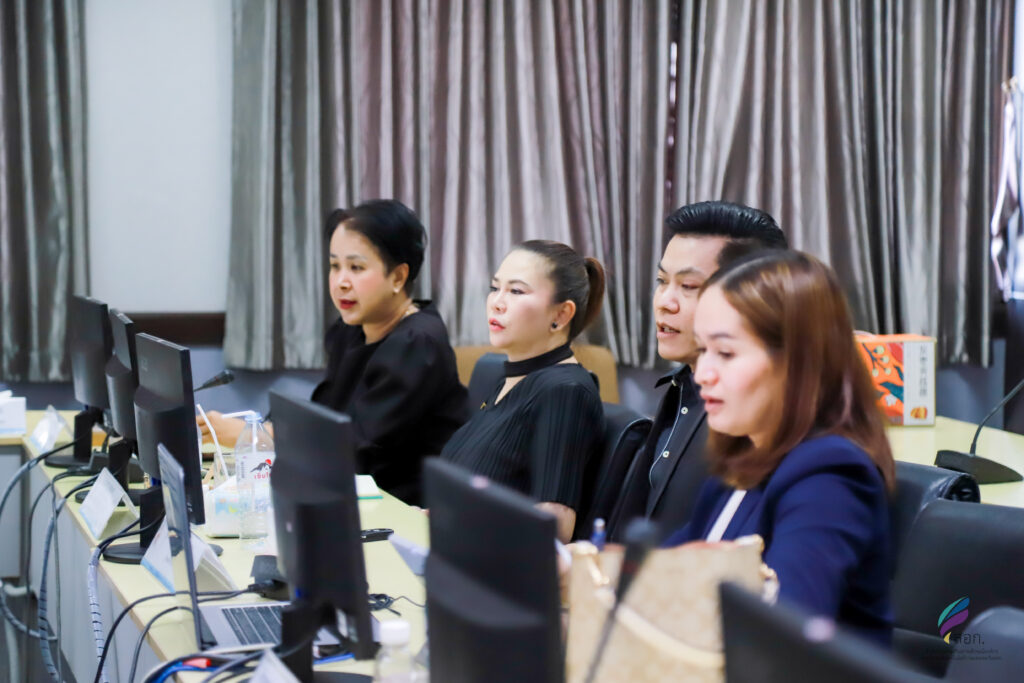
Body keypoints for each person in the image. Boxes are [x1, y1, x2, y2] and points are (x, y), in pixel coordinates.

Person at [664, 250, 895, 646]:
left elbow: (783, 632)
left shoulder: (828, 475)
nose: (703, 374)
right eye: (702, 350)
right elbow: (662, 570)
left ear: (797, 362)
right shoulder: (740, 464)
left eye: (726, 353)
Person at [200, 200, 469, 505]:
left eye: (356, 268)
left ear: (398, 277)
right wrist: (260, 431)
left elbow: (358, 449)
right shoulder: (352, 330)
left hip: (410, 508)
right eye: (334, 266)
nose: (341, 282)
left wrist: (256, 437)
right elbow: (324, 416)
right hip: (354, 498)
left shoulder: (417, 342)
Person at [608, 201, 787, 540]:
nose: (665, 302)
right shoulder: (684, 386)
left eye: (689, 286)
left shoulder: (759, 416)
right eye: (662, 281)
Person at [440, 240, 606, 542]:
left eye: (516, 291)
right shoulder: (508, 379)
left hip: (490, 564)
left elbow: (555, 527)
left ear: (561, 315)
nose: (497, 302)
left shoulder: (564, 391)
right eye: (495, 288)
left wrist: (463, 524)